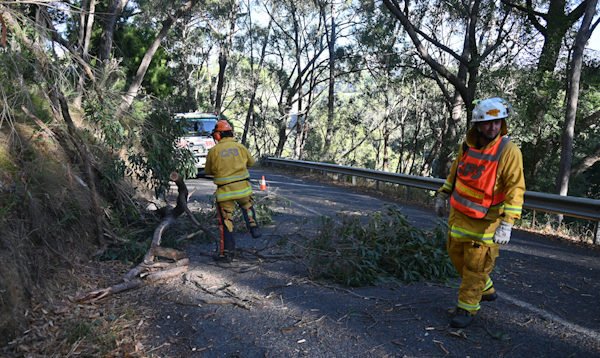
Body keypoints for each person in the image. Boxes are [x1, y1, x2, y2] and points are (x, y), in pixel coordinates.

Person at [435, 97, 525, 328]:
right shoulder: (466, 145)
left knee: (475, 266)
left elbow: (516, 187)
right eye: (487, 123)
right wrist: (443, 195)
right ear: (477, 124)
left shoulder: (509, 151)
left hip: (486, 221)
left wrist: (508, 223)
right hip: (459, 215)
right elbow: (456, 173)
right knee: (457, 258)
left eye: (497, 122)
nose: (493, 127)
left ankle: (467, 308)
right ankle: (485, 287)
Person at [204, 120, 261, 262]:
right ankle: (253, 226)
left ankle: (226, 254)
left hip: (225, 193)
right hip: (243, 189)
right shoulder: (240, 147)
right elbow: (252, 163)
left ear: (217, 136)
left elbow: (208, 171)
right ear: (232, 133)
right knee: (247, 206)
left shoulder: (213, 151)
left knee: (226, 221)